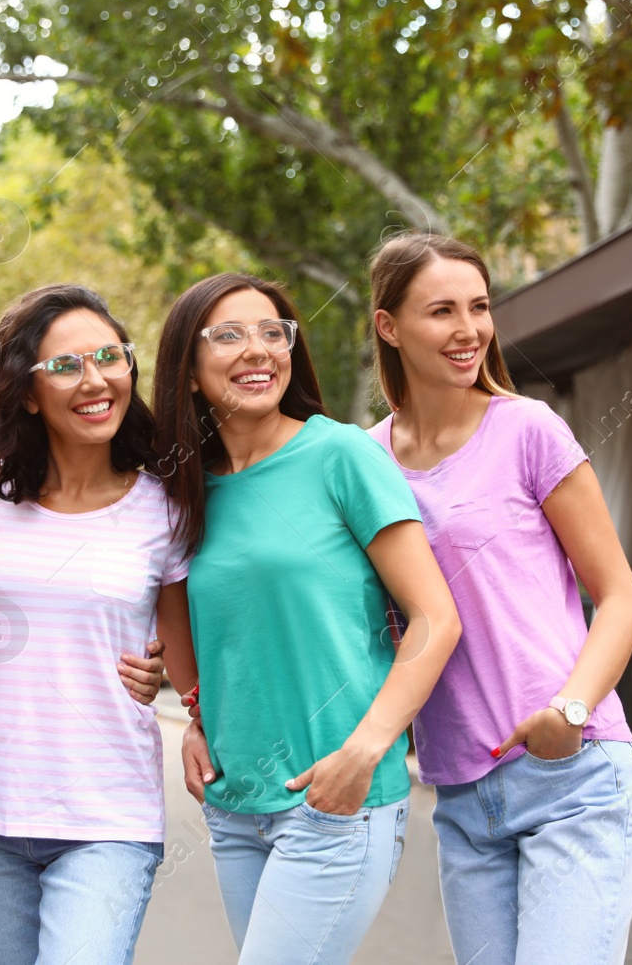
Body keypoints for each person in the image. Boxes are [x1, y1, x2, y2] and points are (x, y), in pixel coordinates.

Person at [161, 273, 460, 964]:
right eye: (229, 335)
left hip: (333, 799)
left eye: (274, 332)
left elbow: (434, 617)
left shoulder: (340, 454)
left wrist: (366, 750)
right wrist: (196, 717)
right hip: (234, 804)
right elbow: (190, 614)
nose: (258, 350)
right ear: (190, 367)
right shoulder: (190, 487)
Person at [366, 233, 632, 965]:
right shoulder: (366, 460)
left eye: (480, 307)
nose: (468, 330)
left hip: (572, 774)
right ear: (388, 325)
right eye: (441, 311)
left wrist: (570, 712)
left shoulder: (527, 428)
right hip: (461, 797)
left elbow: (619, 596)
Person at [0, 285, 196, 965]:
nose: (94, 380)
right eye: (65, 366)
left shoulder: (164, 507)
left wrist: (182, 692)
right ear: (28, 393)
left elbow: (185, 650)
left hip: (109, 815)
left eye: (109, 357)